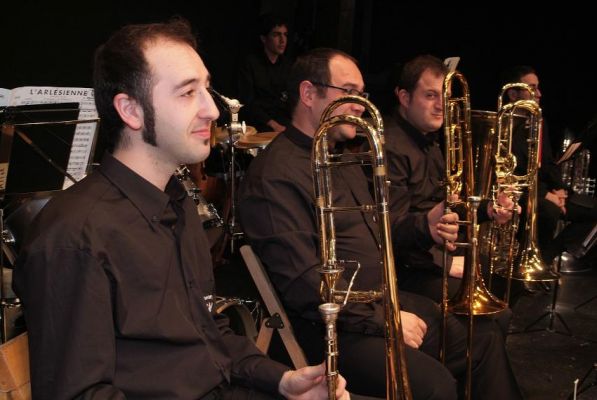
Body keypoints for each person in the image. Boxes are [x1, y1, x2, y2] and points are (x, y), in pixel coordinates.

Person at [12, 19, 352, 400]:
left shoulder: (178, 202)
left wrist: (283, 381)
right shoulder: (73, 237)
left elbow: (209, 333)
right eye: (188, 93)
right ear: (130, 110)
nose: (213, 110)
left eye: (206, 88)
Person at [238, 48, 522, 399]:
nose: (360, 105)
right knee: (435, 386)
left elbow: (383, 233)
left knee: (483, 339)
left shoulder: (341, 158)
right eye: (349, 92)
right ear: (309, 94)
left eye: (362, 94)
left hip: (377, 304)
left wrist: (425, 226)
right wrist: (385, 320)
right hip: (330, 329)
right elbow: (305, 286)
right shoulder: (274, 175)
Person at [384, 55, 517, 318]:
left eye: (444, 96)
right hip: (406, 268)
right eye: (430, 95)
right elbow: (389, 231)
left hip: (430, 255)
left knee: (501, 281)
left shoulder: (430, 141)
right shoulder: (390, 147)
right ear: (405, 98)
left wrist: (489, 209)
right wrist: (443, 263)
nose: (440, 105)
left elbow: (447, 207)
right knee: (496, 316)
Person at [502, 65, 597, 266]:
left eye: (538, 87)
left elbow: (546, 164)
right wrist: (547, 195)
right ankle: (528, 261)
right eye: (532, 88)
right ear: (513, 94)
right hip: (519, 192)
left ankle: (544, 259)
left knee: (592, 212)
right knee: (548, 211)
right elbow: (514, 173)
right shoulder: (504, 125)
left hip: (543, 190)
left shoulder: (539, 122)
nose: (539, 94)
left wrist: (560, 190)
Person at [237, 13, 292, 133]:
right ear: (264, 39)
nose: (282, 40)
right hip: (258, 124)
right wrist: (273, 124)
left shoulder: (287, 65)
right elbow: (247, 102)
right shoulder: (250, 63)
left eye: (285, 34)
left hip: (283, 121)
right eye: (276, 35)